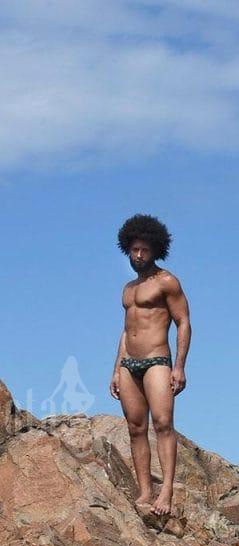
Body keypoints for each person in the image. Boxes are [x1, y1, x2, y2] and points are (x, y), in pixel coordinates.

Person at [109, 214, 191, 515]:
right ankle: (145, 491)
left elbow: (183, 322)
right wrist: (116, 369)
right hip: (129, 364)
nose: (139, 255)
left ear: (156, 250)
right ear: (127, 250)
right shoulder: (128, 289)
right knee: (135, 428)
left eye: (144, 250)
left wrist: (179, 366)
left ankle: (165, 491)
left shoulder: (167, 282)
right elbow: (126, 331)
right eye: (134, 250)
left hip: (157, 360)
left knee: (163, 424)